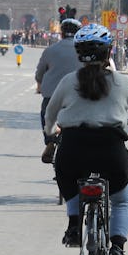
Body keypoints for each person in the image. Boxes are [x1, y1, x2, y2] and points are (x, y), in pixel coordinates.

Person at [44, 23, 128, 255]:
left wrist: (50, 131)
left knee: (67, 180)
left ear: (79, 54)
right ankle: (118, 248)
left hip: (73, 151)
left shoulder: (69, 81)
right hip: (111, 153)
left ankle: (73, 224)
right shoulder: (122, 83)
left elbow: (50, 114)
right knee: (122, 200)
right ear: (109, 51)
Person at [35, 17, 83, 163]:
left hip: (52, 95)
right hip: (77, 96)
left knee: (46, 113)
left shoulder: (50, 50)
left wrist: (39, 85)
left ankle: (50, 140)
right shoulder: (83, 51)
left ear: (61, 33)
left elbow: (39, 73)